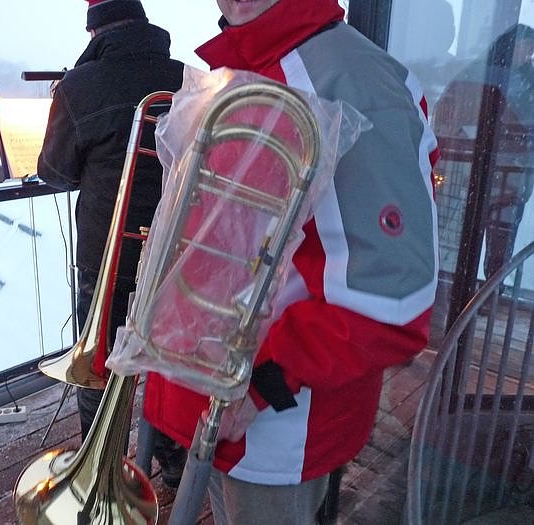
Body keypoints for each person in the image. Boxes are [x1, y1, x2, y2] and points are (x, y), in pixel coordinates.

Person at [141, 0, 439, 522]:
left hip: (272, 422)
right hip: (216, 394)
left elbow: (394, 298)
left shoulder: (353, 81)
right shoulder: (240, 66)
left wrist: (266, 383)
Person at [36, 0, 186, 487]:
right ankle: (174, 462)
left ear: (94, 30)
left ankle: (101, 472)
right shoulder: (187, 78)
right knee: (168, 361)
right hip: (174, 251)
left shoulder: (79, 86)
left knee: (98, 366)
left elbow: (54, 172)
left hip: (108, 256)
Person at [433, 23, 534, 282]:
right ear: (510, 46)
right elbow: (447, 114)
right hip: (467, 173)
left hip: (512, 176)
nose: (528, 56)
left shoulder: (528, 83)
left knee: (500, 239)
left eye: (531, 51)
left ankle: (492, 287)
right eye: (525, 48)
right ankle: (451, 287)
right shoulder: (478, 75)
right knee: (455, 236)